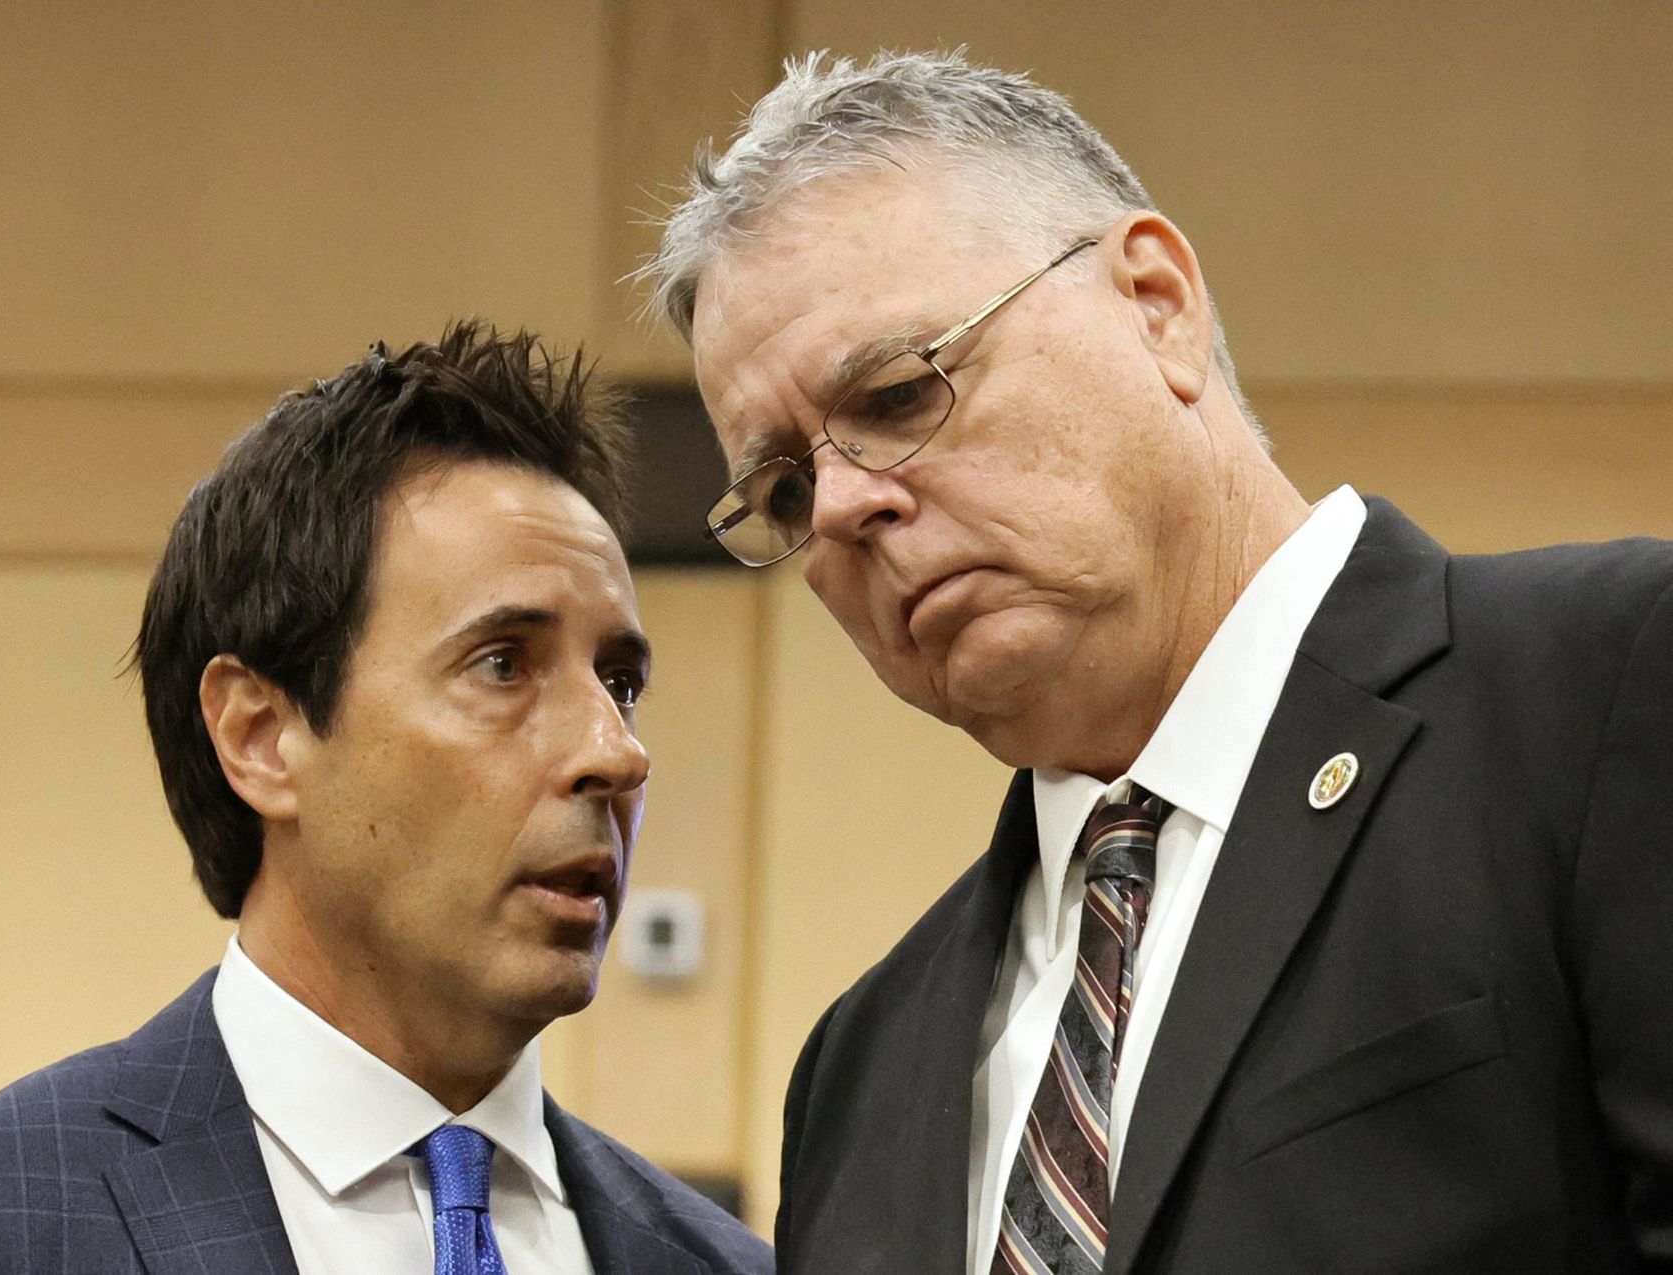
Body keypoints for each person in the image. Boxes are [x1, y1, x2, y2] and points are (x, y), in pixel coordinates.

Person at [649, 49, 1673, 1275]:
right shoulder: (861, 1063)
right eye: (783, 485)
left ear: (1155, 303)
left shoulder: (1606, 685)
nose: (842, 509)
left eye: (897, 393)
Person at [0, 325, 774, 1275]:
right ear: (260, 736)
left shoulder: (725, 1263)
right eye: (503, 664)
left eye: (621, 683)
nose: (618, 752)